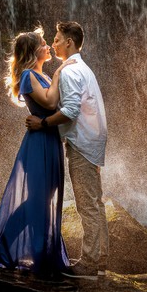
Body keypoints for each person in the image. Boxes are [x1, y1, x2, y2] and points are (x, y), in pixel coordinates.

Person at [0, 26, 76, 278]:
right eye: (43, 43)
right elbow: (49, 103)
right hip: (38, 144)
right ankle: (25, 251)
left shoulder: (44, 77)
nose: (49, 46)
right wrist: (61, 71)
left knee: (43, 197)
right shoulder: (29, 76)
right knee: (38, 199)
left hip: (50, 140)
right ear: (33, 51)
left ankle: (36, 251)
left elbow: (59, 105)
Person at [26, 21, 109, 277]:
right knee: (95, 202)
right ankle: (100, 257)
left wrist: (43, 123)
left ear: (69, 42)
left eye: (57, 39)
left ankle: (90, 262)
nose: (53, 43)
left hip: (82, 143)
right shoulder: (80, 67)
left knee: (87, 205)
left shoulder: (71, 71)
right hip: (91, 141)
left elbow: (71, 111)